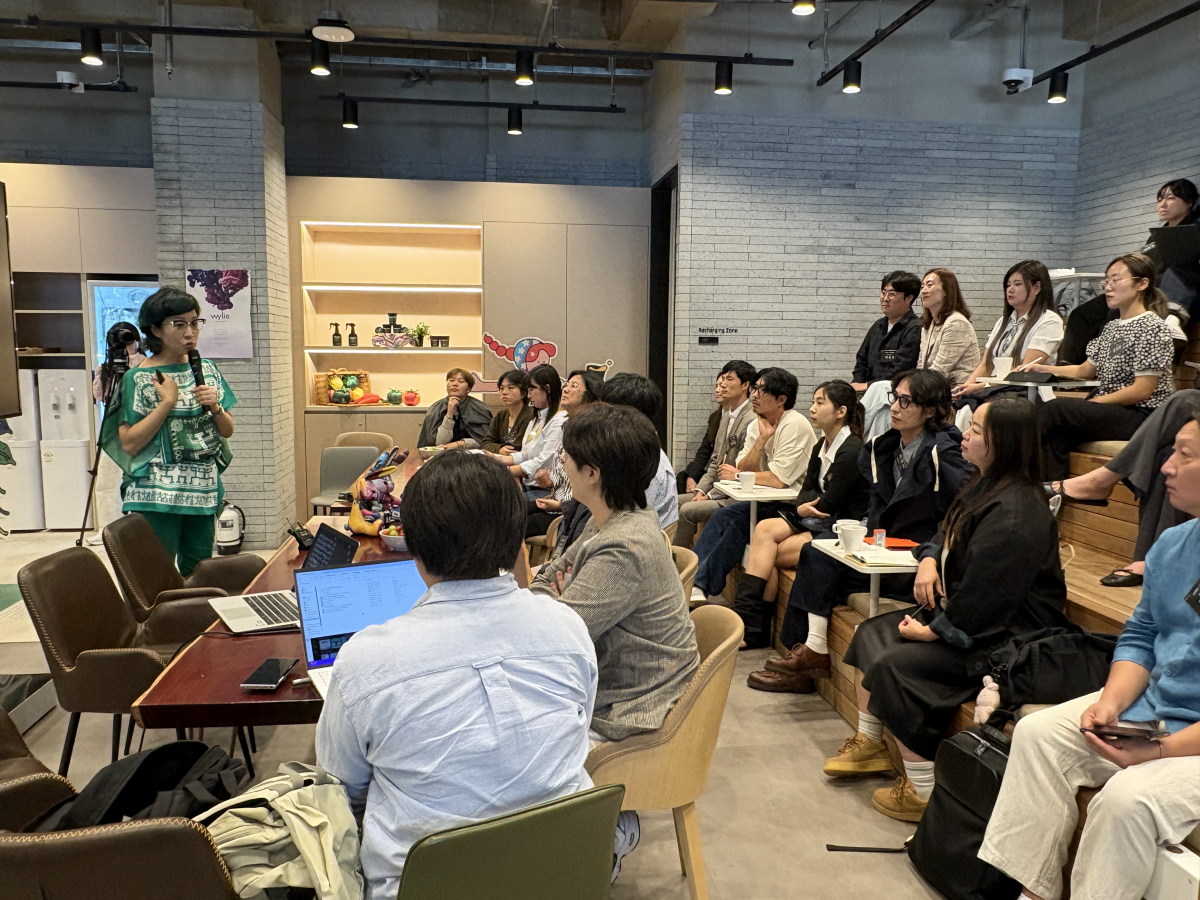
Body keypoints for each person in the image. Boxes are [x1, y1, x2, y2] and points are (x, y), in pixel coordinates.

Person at [315, 452, 598, 900]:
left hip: (422, 886)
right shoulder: (567, 627)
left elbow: (339, 791)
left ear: (415, 547)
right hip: (563, 874)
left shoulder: (365, 659)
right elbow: (577, 728)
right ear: (516, 541)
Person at [978, 413, 1200, 900]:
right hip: (1155, 715)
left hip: (1191, 739)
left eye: (1184, 454)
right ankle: (1030, 893)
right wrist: (1112, 702)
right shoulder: (1175, 544)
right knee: (1038, 734)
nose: (1164, 466)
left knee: (1127, 800)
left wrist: (1160, 750)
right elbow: (1142, 635)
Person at [823, 398, 1074, 822]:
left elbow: (988, 600)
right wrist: (928, 557)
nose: (966, 435)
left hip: (1007, 636)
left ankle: (922, 789)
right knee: (871, 632)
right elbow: (946, 528)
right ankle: (870, 744)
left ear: (1003, 443)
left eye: (976, 429)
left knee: (895, 663)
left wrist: (936, 631)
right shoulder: (986, 484)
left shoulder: (1017, 512)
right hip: (968, 614)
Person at [749, 369, 973, 690]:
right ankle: (810, 651)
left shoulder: (945, 452)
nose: (894, 407)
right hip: (883, 549)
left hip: (917, 561)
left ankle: (802, 666)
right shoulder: (884, 447)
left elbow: (966, 509)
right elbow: (877, 507)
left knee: (817, 569)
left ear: (931, 409)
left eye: (906, 401)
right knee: (816, 553)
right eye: (894, 398)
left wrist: (932, 554)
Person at [531, 402, 700, 742]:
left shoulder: (624, 546)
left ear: (592, 472)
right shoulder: (613, 516)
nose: (561, 461)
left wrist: (562, 595)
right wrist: (559, 592)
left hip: (629, 709)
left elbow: (553, 638)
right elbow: (548, 578)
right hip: (614, 685)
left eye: (566, 455)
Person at [99, 287, 235, 577]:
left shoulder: (207, 369)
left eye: (195, 322)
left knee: (199, 573)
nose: (190, 332)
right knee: (155, 575)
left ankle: (195, 623)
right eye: (179, 324)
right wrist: (167, 402)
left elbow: (227, 430)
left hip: (202, 490)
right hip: (155, 493)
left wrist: (215, 406)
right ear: (155, 330)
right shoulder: (138, 378)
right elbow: (130, 444)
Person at [730, 381, 870, 646]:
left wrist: (806, 506)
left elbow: (830, 503)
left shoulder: (851, 450)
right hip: (812, 517)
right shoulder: (821, 446)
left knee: (764, 554)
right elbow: (806, 491)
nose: (812, 408)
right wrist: (803, 506)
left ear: (840, 411)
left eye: (820, 402)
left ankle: (751, 629)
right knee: (763, 531)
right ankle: (750, 627)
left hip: (838, 526)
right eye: (813, 401)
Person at [688, 367, 818, 629]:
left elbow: (777, 479)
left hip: (792, 506)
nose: (754, 394)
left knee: (737, 523)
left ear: (781, 399)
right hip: (767, 500)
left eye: (761, 389)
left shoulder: (795, 424)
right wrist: (761, 441)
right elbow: (743, 467)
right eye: (755, 388)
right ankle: (695, 584)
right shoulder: (758, 423)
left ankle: (700, 585)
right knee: (724, 515)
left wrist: (740, 474)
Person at [1034, 253, 1176, 482]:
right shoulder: (1111, 327)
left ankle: (1028, 485)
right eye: (1106, 281)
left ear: (1142, 283)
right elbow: (1085, 370)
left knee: (1055, 410)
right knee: (1053, 428)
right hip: (1114, 410)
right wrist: (1043, 369)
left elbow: (1142, 391)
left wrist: (1093, 403)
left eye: (1116, 280)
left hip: (1143, 414)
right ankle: (1050, 490)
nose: (1108, 288)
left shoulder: (1152, 327)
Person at [1048, 389, 1200, 587]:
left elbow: (1144, 387)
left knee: (1188, 399)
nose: (1168, 468)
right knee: (1163, 454)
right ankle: (1152, 558)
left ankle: (1103, 480)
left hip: (1144, 408)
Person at [863, 268, 979, 439]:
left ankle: (853, 432)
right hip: (927, 386)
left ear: (947, 291)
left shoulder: (956, 323)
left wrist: (907, 386)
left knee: (881, 389)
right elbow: (919, 367)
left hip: (950, 392)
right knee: (886, 408)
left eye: (929, 285)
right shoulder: (929, 324)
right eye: (923, 285)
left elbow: (938, 372)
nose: (923, 290)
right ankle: (875, 453)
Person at [674, 359, 757, 548]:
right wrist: (700, 490)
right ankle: (672, 552)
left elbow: (738, 470)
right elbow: (714, 461)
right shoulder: (726, 416)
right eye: (722, 380)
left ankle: (679, 561)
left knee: (688, 509)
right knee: (673, 501)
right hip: (717, 489)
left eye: (729, 379)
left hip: (733, 495)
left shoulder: (751, 419)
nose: (723, 384)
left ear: (745, 385)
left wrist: (709, 496)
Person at [954, 260, 1064, 400]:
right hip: (994, 391)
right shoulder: (1003, 321)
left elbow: (1024, 370)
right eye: (1008, 285)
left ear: (1037, 287)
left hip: (1026, 394)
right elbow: (986, 365)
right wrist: (963, 389)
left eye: (1017, 284)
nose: (1010, 289)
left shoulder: (1049, 321)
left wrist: (982, 386)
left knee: (973, 410)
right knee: (958, 404)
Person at [525, 368, 604, 539]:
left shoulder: (590, 431)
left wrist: (561, 505)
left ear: (589, 395)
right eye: (566, 385)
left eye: (574, 386)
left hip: (570, 511)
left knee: (515, 525)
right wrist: (549, 478)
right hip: (553, 500)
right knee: (508, 512)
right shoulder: (564, 425)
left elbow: (590, 483)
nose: (565, 389)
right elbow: (563, 474)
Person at [87, 321, 147, 546]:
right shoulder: (108, 367)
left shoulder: (146, 363)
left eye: (127, 339)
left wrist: (132, 356)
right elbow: (102, 397)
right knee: (106, 479)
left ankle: (140, 527)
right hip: (112, 428)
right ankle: (107, 529)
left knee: (138, 478)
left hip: (140, 428)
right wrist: (103, 373)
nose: (123, 345)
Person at [597, 373, 679, 530]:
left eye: (607, 411)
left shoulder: (643, 463)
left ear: (629, 416)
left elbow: (624, 528)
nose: (601, 418)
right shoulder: (633, 450)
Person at [493, 364, 566, 498]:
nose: (529, 394)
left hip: (546, 490)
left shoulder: (559, 420)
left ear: (547, 388)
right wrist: (497, 459)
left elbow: (545, 460)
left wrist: (507, 470)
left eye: (532, 389)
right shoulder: (536, 417)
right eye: (528, 390)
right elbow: (525, 454)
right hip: (529, 485)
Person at [850, 271, 923, 392]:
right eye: (883, 293)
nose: (885, 298)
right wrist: (857, 384)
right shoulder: (878, 326)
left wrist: (868, 386)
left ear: (909, 298)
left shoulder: (915, 328)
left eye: (892, 294)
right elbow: (861, 361)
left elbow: (902, 370)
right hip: (867, 392)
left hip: (893, 393)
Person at [1142, 177, 1200, 320]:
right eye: (1160, 200)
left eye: (1171, 198)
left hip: (1186, 290)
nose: (1163, 204)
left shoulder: (1196, 230)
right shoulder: (1154, 237)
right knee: (1086, 312)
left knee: (1176, 271)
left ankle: (1173, 318)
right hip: (1150, 289)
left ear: (1189, 202)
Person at [416, 368, 492, 449]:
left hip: (472, 455)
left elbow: (485, 441)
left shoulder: (479, 408)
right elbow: (439, 444)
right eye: (451, 380)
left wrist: (459, 444)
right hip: (442, 455)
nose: (455, 384)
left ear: (469, 389)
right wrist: (449, 414)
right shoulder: (435, 408)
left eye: (461, 381)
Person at [677, 374, 723, 495]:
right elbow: (704, 450)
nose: (718, 390)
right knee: (682, 477)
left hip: (725, 475)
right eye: (717, 385)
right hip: (713, 471)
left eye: (723, 385)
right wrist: (691, 475)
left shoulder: (749, 418)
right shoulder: (715, 417)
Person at [476, 368, 534, 454]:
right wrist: (499, 449)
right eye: (502, 388)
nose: (504, 392)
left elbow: (517, 447)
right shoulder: (501, 415)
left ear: (524, 393)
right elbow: (486, 442)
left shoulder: (530, 415)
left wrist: (499, 450)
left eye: (511, 388)